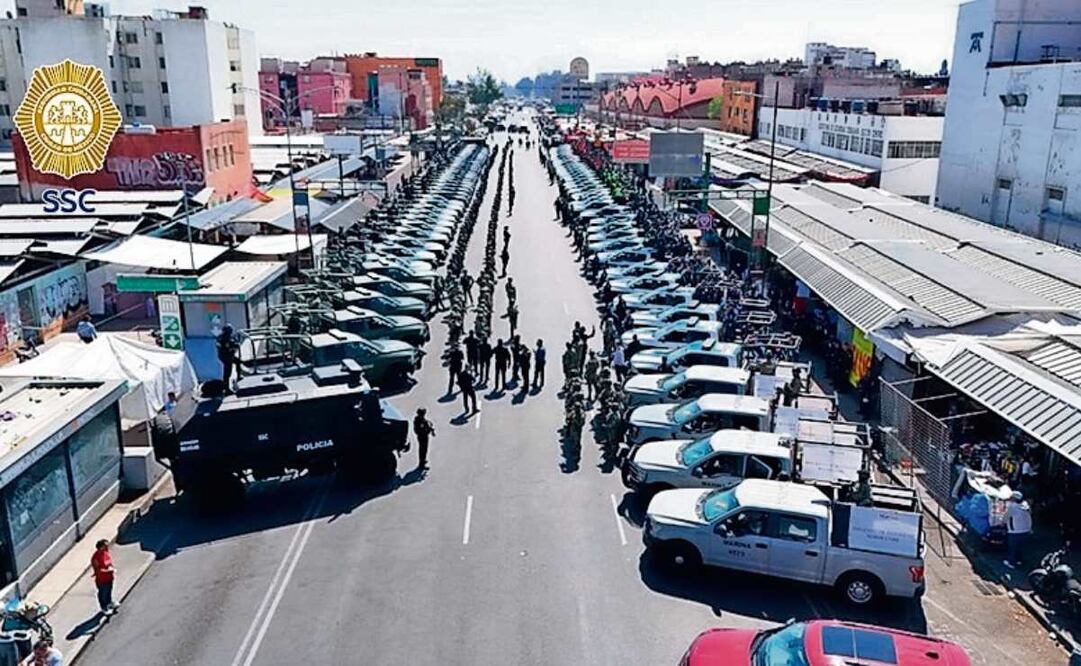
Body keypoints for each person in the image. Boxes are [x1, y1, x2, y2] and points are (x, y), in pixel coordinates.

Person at [1005, 491, 1032, 569]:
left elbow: (1005, 518)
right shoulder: (1025, 505)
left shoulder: (1012, 507)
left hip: (1015, 531)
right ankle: (1019, 560)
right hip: (1026, 530)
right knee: (1021, 547)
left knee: (1013, 547)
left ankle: (1011, 563)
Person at [90, 539, 117, 615]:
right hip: (102, 579)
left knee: (109, 591)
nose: (107, 547)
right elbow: (98, 570)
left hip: (109, 577)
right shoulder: (95, 558)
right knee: (103, 593)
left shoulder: (106, 553)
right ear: (100, 547)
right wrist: (108, 570)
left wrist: (111, 568)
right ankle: (104, 607)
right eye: (105, 546)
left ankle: (109, 603)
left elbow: (109, 563)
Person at [216, 324, 239, 392]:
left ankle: (239, 376)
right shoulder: (224, 338)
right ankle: (226, 389)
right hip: (226, 357)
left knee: (238, 361)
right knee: (227, 372)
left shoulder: (221, 337)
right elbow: (228, 347)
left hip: (226, 356)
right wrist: (234, 347)